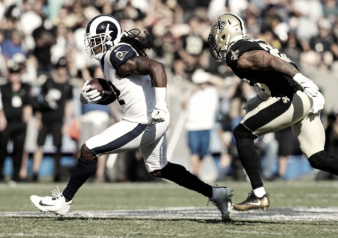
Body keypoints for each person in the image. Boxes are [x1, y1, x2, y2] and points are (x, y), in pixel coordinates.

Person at [30, 15, 232, 221]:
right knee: (160, 169)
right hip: (149, 120)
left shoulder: (117, 54)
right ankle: (216, 194)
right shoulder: (110, 57)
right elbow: (123, 92)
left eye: (96, 39)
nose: (93, 44)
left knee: (89, 150)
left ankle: (64, 200)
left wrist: (161, 105)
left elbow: (157, 67)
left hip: (143, 121)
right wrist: (95, 95)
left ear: (109, 37)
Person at [208, 13, 338, 212]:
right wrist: (259, 99)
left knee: (242, 133)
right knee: (318, 158)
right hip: (301, 97)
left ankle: (258, 194)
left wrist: (304, 81)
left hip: (291, 97)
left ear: (224, 35)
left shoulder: (236, 52)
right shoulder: (252, 42)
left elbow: (270, 60)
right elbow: (273, 75)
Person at [31, 57, 73, 182]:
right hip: (45, 118)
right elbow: (39, 101)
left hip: (58, 120)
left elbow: (68, 106)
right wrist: (38, 118)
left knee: (58, 147)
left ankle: (57, 173)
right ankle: (35, 172)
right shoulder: (48, 82)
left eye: (63, 68)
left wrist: (66, 123)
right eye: (59, 67)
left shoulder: (67, 86)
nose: (61, 70)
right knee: (39, 146)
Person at [181, 69, 222, 176]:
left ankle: (197, 172)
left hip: (207, 126)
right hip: (192, 126)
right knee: (194, 150)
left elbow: (220, 83)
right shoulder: (191, 91)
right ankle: (195, 173)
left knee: (203, 151)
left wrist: (206, 76)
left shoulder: (212, 91)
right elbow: (183, 104)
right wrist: (191, 92)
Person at [0, 66, 32, 183]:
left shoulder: (25, 87)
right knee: (2, 149)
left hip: (20, 122)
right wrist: (1, 117)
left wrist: (26, 119)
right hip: (6, 123)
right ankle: (1, 175)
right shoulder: (3, 88)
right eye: (12, 73)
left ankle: (16, 176)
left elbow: (28, 103)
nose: (14, 76)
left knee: (18, 150)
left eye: (16, 73)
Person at [316, 106, 338, 180]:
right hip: (327, 161)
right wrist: (327, 123)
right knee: (320, 178)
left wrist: (335, 125)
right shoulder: (327, 126)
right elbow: (318, 134)